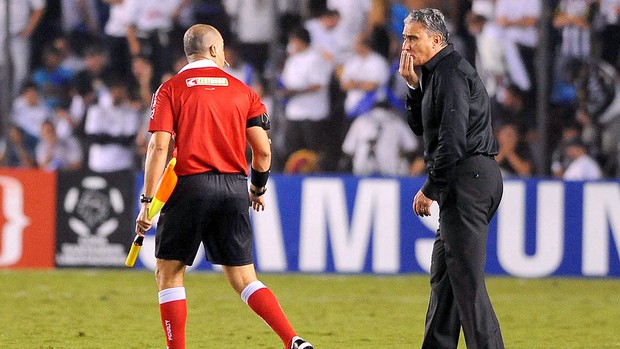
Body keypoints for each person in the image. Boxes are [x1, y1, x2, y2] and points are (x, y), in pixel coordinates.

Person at [134, 24, 313, 349]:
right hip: (233, 188)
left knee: (170, 273)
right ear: (216, 50)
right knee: (245, 278)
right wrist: (256, 190)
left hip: (189, 186)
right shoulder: (244, 91)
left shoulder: (170, 89)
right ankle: (293, 340)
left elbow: (159, 148)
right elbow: (263, 152)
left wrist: (147, 201)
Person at [399, 8, 505, 348]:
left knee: (467, 285)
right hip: (466, 178)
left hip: (469, 179)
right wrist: (414, 88)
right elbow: (423, 129)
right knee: (445, 284)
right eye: (405, 38)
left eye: (412, 38)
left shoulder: (452, 74)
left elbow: (452, 140)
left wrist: (431, 188)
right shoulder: (437, 74)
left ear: (437, 39)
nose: (406, 46)